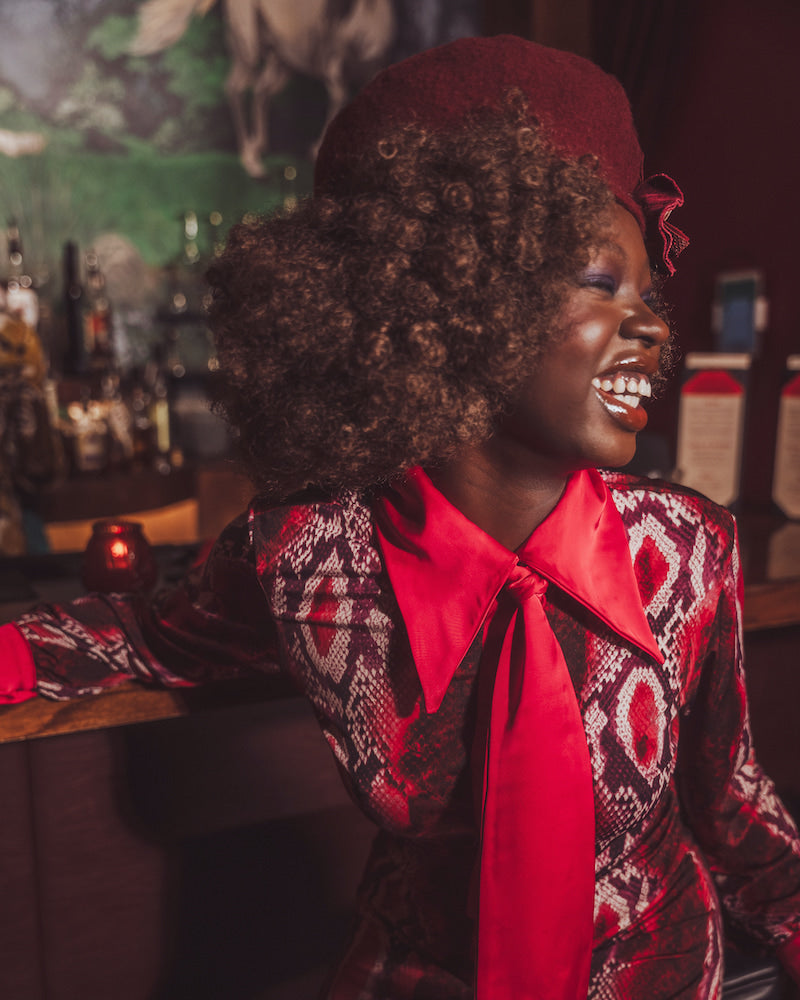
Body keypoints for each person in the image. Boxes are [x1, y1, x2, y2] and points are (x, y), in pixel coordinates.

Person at [1, 35, 799, 1000]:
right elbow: (147, 639)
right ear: (450, 301)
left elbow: (735, 810)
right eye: (601, 283)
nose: (654, 326)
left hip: (656, 973)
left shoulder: (685, 551)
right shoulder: (306, 558)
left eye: (647, 294)